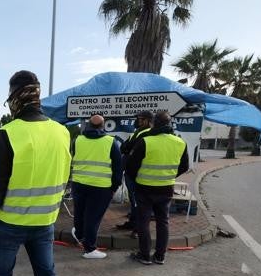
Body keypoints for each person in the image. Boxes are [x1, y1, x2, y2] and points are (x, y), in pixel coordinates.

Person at [0, 70, 71, 276]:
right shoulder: (62, 132)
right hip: (45, 223)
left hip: (9, 222)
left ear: (15, 98)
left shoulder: (8, 133)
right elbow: (66, 173)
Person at [126, 111, 189, 265]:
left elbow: (131, 166)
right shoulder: (180, 142)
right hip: (166, 188)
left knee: (144, 222)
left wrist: (137, 180)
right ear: (169, 124)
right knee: (163, 222)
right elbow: (184, 166)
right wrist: (168, 176)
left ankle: (145, 255)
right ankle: (160, 256)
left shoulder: (146, 141)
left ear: (154, 124)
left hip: (144, 188)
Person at [70, 115, 122, 259]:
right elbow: (118, 167)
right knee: (93, 218)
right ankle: (90, 249)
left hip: (79, 184)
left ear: (88, 125)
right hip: (101, 187)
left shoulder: (77, 140)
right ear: (102, 126)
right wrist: (114, 187)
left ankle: (80, 235)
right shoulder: (111, 142)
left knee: (79, 213)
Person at [116, 110, 153, 232]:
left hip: (137, 173)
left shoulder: (147, 133)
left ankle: (138, 227)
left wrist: (128, 148)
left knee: (138, 201)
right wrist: (128, 148)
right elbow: (124, 147)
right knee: (133, 200)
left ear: (148, 120)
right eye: (138, 118)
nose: (137, 121)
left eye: (141, 119)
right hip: (130, 172)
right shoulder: (137, 132)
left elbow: (131, 148)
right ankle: (133, 222)